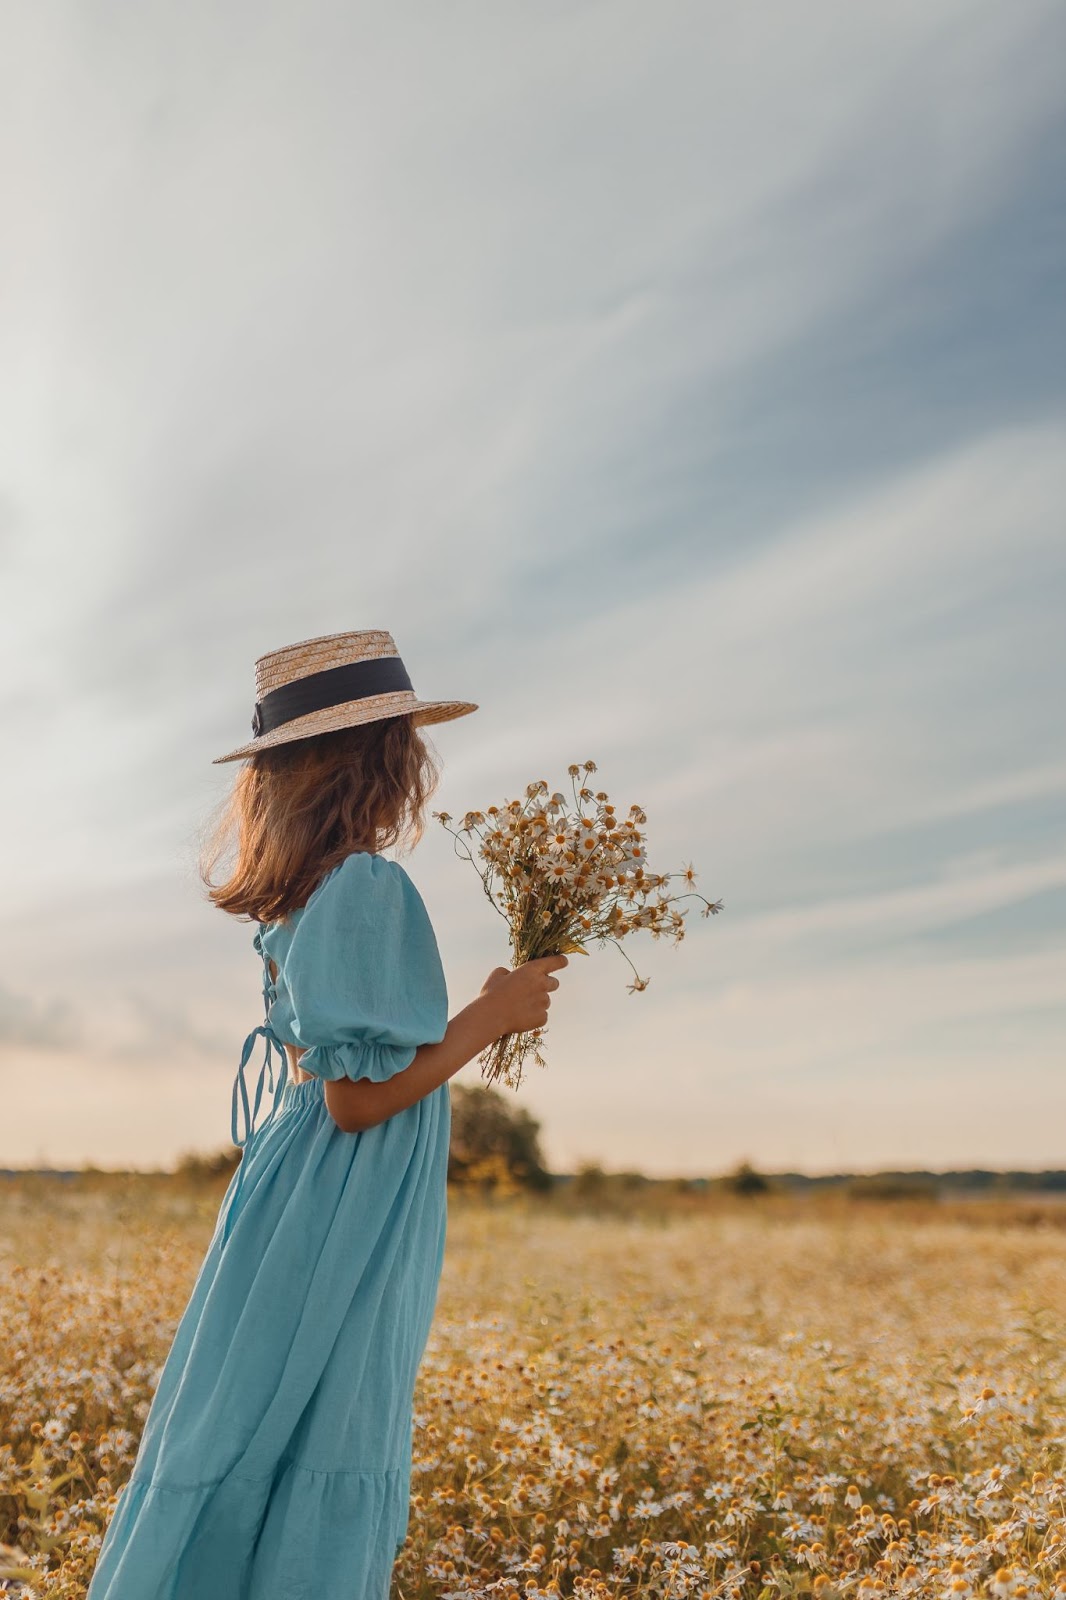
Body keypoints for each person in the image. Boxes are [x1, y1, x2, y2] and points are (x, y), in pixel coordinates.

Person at [87, 628, 567, 1600]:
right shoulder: (367, 883)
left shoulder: (307, 889)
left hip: (296, 1186)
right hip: (345, 1192)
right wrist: (494, 1014)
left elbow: (345, 1069)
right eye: (405, 747)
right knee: (331, 1410)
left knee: (251, 1411)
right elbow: (357, 1101)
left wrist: (471, 1017)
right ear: (383, 758)